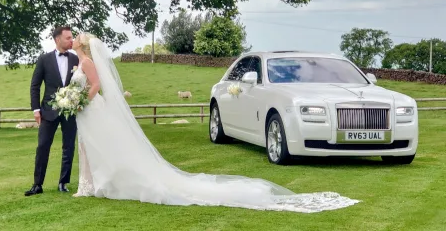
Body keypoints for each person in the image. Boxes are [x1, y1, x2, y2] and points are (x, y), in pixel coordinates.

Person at [69, 32, 360, 213]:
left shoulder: (88, 63)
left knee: (98, 145)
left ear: (82, 45)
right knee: (91, 147)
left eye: (75, 38)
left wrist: (79, 99)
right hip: (89, 111)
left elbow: (94, 86)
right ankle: (91, 184)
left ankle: (94, 183)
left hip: (92, 108)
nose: (73, 40)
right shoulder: (81, 62)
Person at [25, 26, 80, 196]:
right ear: (57, 40)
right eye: (68, 38)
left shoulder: (76, 60)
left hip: (70, 111)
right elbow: (35, 85)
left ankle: (63, 182)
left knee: (68, 146)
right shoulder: (44, 59)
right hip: (48, 110)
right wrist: (36, 109)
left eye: (72, 37)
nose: (71, 40)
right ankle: (37, 184)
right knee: (42, 146)